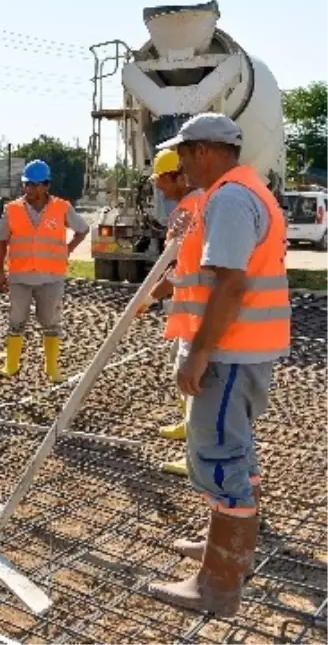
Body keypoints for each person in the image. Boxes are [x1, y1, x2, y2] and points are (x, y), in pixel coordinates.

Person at [147, 113, 289, 616]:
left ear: (205, 150)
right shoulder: (246, 188)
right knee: (238, 454)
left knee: (221, 458)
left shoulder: (229, 198)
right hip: (248, 349)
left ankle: (217, 586)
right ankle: (225, 554)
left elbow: (230, 285)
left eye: (185, 154)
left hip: (228, 353)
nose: (181, 164)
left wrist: (198, 352)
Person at [136, 148, 204, 477]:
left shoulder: (188, 212)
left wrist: (147, 300)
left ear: (178, 176)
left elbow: (178, 271)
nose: (159, 188)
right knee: (183, 373)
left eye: (162, 180)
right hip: (193, 311)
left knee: (192, 380)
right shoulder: (196, 204)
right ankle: (188, 426)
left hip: (198, 315)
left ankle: (194, 458)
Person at [0, 159, 88, 382]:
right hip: (20, 276)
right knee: (16, 320)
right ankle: (12, 363)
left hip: (51, 277)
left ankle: (52, 367)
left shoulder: (62, 208)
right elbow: (1, 240)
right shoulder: (12, 209)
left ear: (47, 186)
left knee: (51, 322)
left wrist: (68, 250)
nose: (31, 190)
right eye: (28, 185)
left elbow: (82, 230)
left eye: (36, 185)